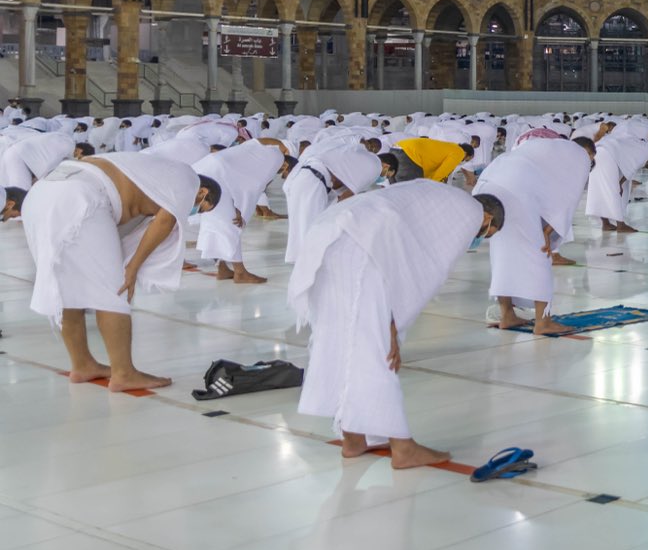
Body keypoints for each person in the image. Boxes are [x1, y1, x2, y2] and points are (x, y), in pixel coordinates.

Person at [292, 181, 503, 468]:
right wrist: (392, 323)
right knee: (378, 351)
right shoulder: (469, 214)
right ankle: (403, 448)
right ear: (488, 219)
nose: (481, 238)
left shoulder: (442, 197)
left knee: (344, 342)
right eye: (489, 234)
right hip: (361, 248)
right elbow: (426, 270)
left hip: (330, 236)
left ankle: (353, 437)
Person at [22, 152, 217, 392]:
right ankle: (124, 373)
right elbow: (165, 222)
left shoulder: (154, 175)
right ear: (202, 193)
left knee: (67, 286)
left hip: (42, 194)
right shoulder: (189, 180)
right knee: (114, 289)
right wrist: (132, 268)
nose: (194, 211)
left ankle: (83, 364)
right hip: (81, 196)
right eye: (202, 207)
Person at [472, 137, 592, 333]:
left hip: (488, 182)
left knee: (502, 255)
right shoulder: (580, 157)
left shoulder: (544, 147)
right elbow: (569, 198)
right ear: (589, 152)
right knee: (539, 254)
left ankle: (507, 315)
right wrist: (547, 231)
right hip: (516, 189)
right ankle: (543, 322)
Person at [192, 138, 291, 283]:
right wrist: (240, 210)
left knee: (212, 223)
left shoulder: (258, 151)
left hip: (206, 169)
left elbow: (256, 142)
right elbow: (251, 187)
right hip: (217, 177)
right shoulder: (275, 159)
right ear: (286, 163)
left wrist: (280, 144)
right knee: (232, 224)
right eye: (283, 170)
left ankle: (222, 268)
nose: (281, 173)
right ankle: (240, 273)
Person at [385, 136, 471, 184]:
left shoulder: (449, 147)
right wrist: (431, 185)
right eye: (467, 159)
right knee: (412, 192)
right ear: (466, 153)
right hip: (409, 155)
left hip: (395, 149)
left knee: (396, 190)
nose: (463, 161)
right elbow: (442, 171)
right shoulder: (459, 152)